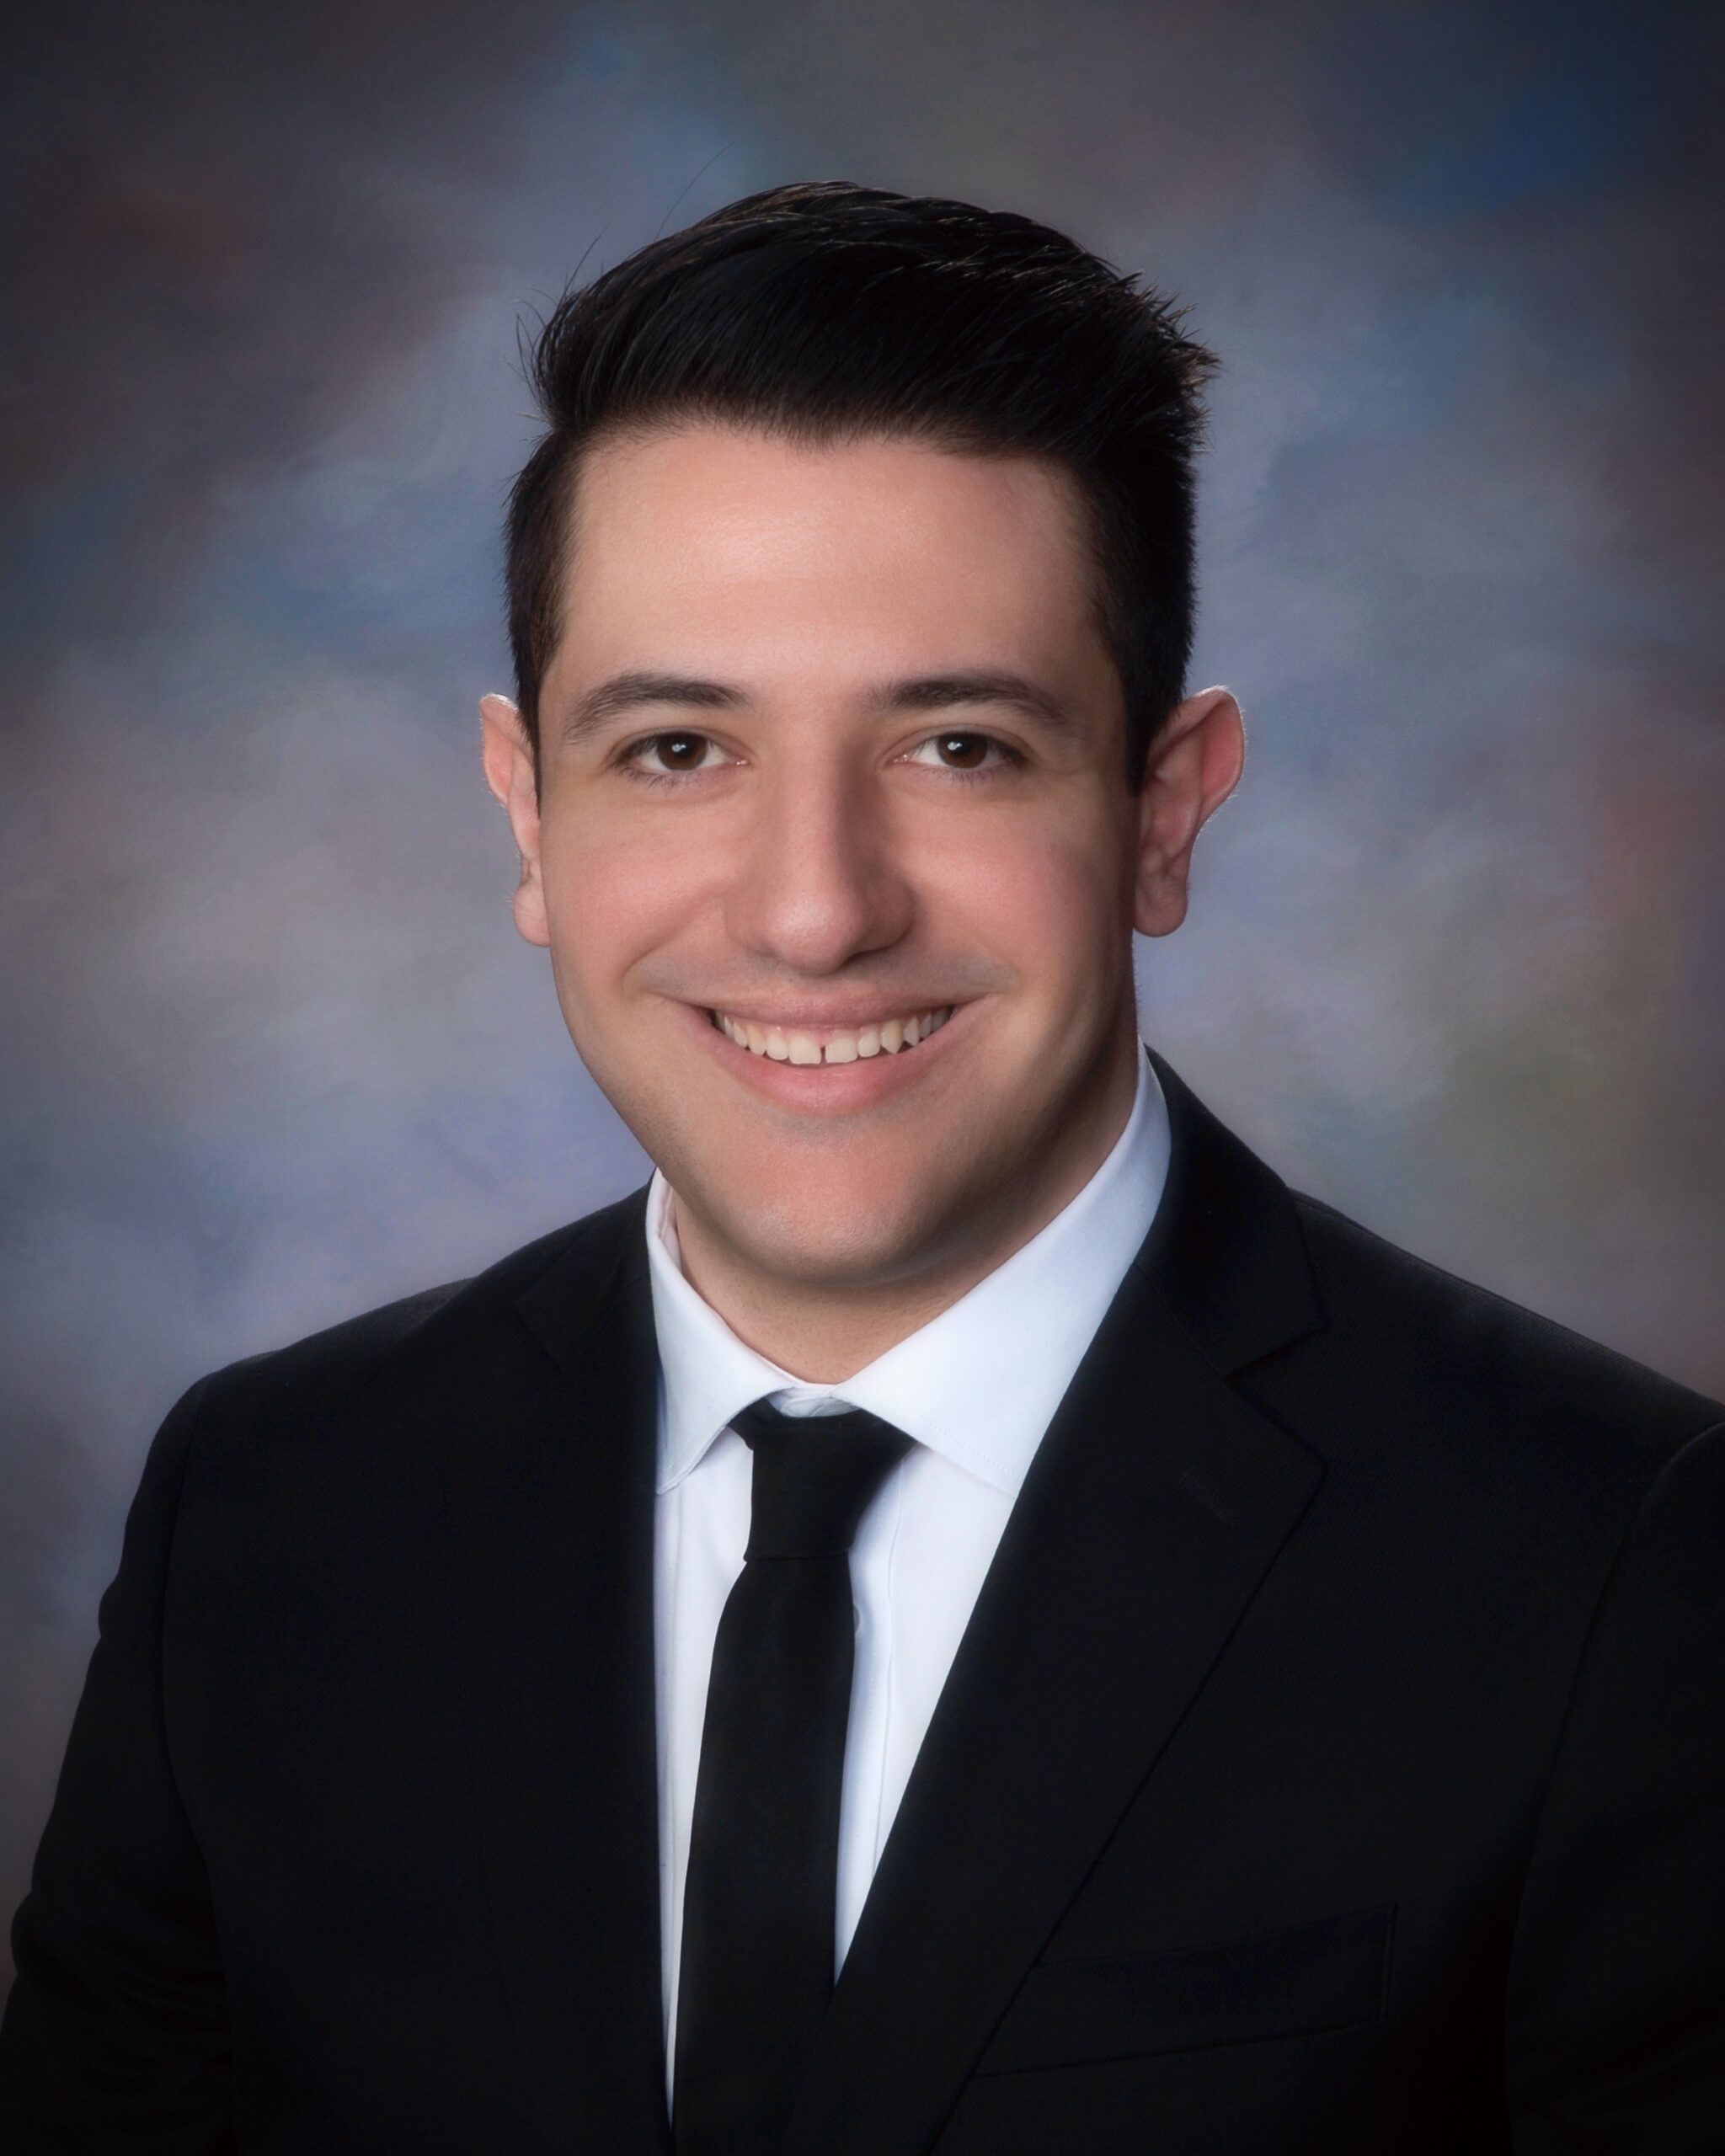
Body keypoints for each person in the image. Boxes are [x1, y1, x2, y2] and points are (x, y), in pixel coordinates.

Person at [2, 179, 1721, 2155]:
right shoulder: (269, 1514)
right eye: (678, 748)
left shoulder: (1620, 1564)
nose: (815, 910)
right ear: (530, 814)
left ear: (1162, 812)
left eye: (958, 746)